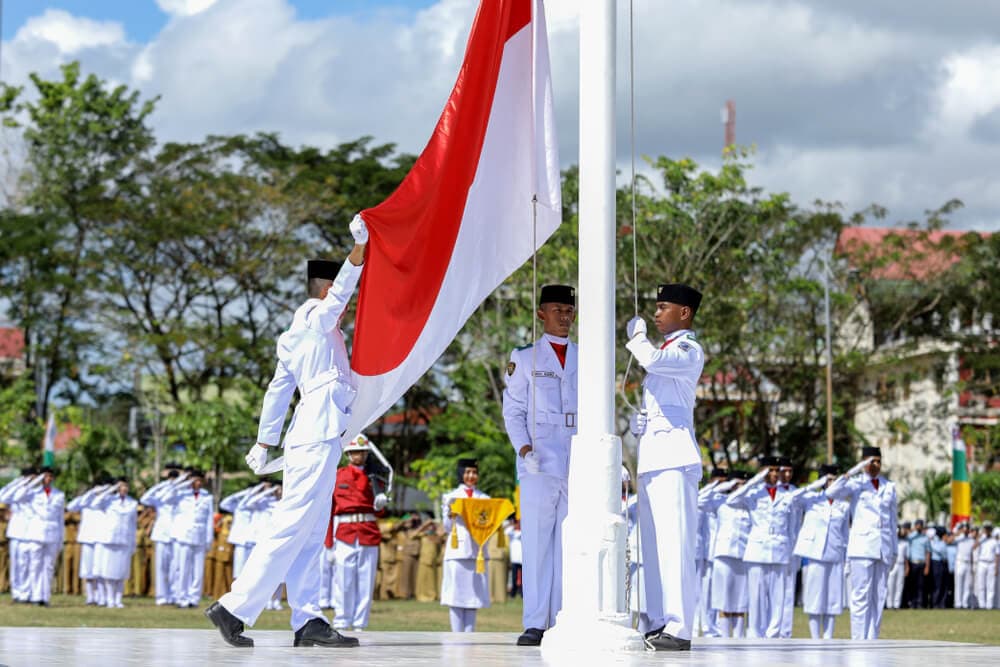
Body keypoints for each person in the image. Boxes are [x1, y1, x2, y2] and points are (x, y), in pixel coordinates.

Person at [205, 214, 368, 649]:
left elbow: (277, 393)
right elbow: (339, 296)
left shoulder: (293, 335)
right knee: (293, 522)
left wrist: (264, 441)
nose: (345, 306)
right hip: (317, 431)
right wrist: (359, 253)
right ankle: (234, 607)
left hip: (313, 433)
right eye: (335, 292)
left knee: (313, 529)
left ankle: (307, 617)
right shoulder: (317, 316)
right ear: (323, 289)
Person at [625, 283, 704, 651]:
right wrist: (643, 422)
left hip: (675, 459)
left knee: (675, 546)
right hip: (655, 457)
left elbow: (653, 361)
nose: (656, 314)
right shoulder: (668, 349)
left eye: (663, 306)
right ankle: (659, 621)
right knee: (653, 548)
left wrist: (637, 336)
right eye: (655, 308)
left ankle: (681, 627)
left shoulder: (688, 349)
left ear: (684, 313)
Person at [501, 283, 577, 647]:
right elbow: (513, 410)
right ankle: (535, 622)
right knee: (535, 543)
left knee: (569, 544)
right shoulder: (526, 357)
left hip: (576, 463)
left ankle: (562, 619)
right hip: (538, 461)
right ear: (541, 313)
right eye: (558, 310)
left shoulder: (585, 356)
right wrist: (524, 449)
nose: (564, 317)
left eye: (569, 310)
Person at [724, 456, 804, 639]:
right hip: (757, 552)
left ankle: (773, 633)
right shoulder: (753, 494)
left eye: (777, 470)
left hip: (780, 550)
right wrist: (755, 480)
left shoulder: (787, 494)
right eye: (771, 470)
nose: (775, 474)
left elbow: (792, 525)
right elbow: (731, 500)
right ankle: (755, 633)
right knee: (756, 597)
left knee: (778, 597)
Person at [826, 446, 898, 640]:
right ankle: (858, 640)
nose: (875, 465)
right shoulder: (856, 484)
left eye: (878, 461)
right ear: (864, 462)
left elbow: (893, 520)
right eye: (871, 461)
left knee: (879, 596)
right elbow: (831, 492)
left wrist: (894, 551)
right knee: (860, 596)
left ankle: (872, 638)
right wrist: (853, 471)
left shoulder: (888, 486)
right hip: (863, 547)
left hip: (883, 547)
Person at [329, 435, 387, 631]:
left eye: (361, 452)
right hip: (345, 532)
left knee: (366, 580)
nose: (357, 456)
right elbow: (329, 509)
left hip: (368, 532)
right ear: (347, 454)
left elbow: (380, 510)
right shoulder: (338, 475)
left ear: (366, 454)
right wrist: (328, 543)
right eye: (354, 452)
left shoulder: (376, 478)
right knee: (343, 580)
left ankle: (361, 623)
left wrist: (381, 502)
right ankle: (342, 620)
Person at [791, 464, 850, 639]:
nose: (831, 483)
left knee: (833, 598)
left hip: (834, 553)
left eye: (834, 479)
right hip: (815, 554)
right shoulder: (811, 499)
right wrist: (814, 485)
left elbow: (845, 534)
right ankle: (815, 637)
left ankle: (828, 636)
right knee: (814, 597)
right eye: (828, 479)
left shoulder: (843, 505)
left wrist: (846, 559)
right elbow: (793, 498)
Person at [440, 458, 491, 632]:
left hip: (477, 552)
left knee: (473, 596)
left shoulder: (485, 498)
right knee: (455, 595)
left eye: (474, 472)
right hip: (457, 551)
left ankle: (470, 635)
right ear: (461, 474)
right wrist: (450, 514)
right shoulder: (451, 497)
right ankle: (456, 634)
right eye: (467, 472)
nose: (471, 476)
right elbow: (446, 527)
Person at [699, 470, 751, 638]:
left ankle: (738, 638)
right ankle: (724, 637)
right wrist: (721, 485)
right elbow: (699, 500)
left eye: (743, 484)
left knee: (741, 601)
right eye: (737, 484)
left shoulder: (750, 503)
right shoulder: (720, 501)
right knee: (724, 599)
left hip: (743, 555)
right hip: (723, 554)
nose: (740, 488)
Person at [16, 466, 65, 606]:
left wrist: (61, 539)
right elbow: (15, 497)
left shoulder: (59, 494)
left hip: (52, 533)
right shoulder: (32, 492)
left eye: (49, 476)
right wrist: (32, 482)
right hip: (35, 532)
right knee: (35, 565)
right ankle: (35, 596)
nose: (47, 479)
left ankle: (45, 597)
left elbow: (60, 518)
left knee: (48, 566)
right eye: (44, 477)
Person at [167, 469, 215, 608]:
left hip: (200, 536)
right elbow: (167, 495)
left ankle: (194, 598)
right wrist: (184, 482)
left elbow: (209, 519)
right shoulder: (180, 493)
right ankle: (181, 597)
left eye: (200, 480)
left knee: (198, 570)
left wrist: (208, 539)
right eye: (195, 480)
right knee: (183, 568)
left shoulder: (207, 497)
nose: (197, 483)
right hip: (184, 536)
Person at [139, 464, 183, 605]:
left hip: (177, 534)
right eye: (171, 480)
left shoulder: (182, 495)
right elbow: (144, 499)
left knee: (175, 567)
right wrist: (162, 485)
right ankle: (161, 596)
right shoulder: (160, 496)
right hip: (162, 534)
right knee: (161, 567)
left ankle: (174, 595)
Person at [93, 477, 137, 608]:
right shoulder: (108, 501)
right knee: (109, 572)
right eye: (121, 486)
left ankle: (118, 599)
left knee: (121, 573)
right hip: (110, 539)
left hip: (124, 540)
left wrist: (133, 542)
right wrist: (110, 489)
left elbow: (133, 524)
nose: (124, 489)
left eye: (126, 486)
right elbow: (95, 503)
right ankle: (109, 598)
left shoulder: (132, 503)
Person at [694, 468, 727, 638]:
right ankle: (694, 627)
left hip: (717, 552)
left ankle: (710, 627)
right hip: (701, 551)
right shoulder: (703, 497)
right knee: (696, 591)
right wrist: (714, 487)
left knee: (712, 593)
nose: (723, 485)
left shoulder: (725, 500)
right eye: (718, 481)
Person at [0, 468, 37, 603]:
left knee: (29, 564)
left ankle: (28, 593)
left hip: (32, 532)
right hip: (16, 531)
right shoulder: (15, 490)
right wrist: (18, 483)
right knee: (17, 564)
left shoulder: (36, 491)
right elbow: (3, 496)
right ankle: (17, 593)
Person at [776, 457, 800, 638]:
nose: (787, 475)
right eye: (784, 471)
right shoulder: (768, 491)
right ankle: (771, 629)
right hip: (774, 547)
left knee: (789, 591)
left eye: (790, 471)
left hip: (792, 547)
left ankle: (786, 631)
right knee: (773, 590)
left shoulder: (795, 492)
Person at [906, 518, 930, 608]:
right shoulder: (911, 537)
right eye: (918, 525)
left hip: (922, 563)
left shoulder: (925, 538)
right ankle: (912, 602)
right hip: (913, 563)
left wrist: (927, 566)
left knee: (921, 585)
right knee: (912, 584)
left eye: (921, 525)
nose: (919, 526)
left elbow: (928, 552)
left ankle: (920, 603)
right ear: (915, 526)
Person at [973, 522, 997, 609]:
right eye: (986, 528)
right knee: (981, 585)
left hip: (991, 563)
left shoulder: (994, 541)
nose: (987, 530)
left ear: (991, 530)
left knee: (990, 585)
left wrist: (996, 568)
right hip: (982, 563)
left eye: (988, 528)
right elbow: (974, 547)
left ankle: (989, 605)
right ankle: (982, 605)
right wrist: (979, 537)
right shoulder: (981, 539)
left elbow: (997, 555)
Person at [886, 522, 909, 609]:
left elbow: (906, 556)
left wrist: (907, 567)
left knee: (899, 584)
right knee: (890, 585)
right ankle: (889, 604)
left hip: (901, 564)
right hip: (892, 564)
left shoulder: (903, 543)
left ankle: (897, 604)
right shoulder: (889, 542)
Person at [953, 522, 974, 608]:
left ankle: (965, 603)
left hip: (968, 563)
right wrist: (959, 532)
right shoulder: (958, 538)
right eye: (964, 528)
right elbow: (950, 540)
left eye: (967, 528)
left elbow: (972, 553)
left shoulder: (971, 539)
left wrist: (972, 565)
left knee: (967, 585)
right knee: (958, 584)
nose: (965, 530)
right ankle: (958, 603)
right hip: (960, 562)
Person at [928, 527, 948, 608]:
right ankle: (935, 603)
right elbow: (940, 551)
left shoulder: (941, 541)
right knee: (937, 585)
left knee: (943, 584)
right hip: (936, 563)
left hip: (942, 563)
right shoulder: (934, 541)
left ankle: (941, 603)